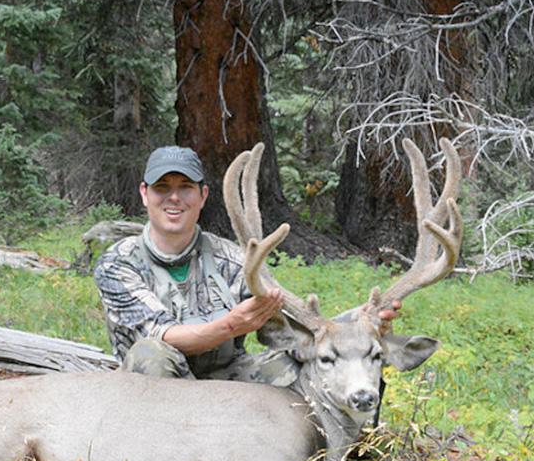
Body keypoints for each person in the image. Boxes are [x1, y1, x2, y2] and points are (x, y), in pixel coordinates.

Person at [94, 145, 399, 386]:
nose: (174, 197)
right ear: (145, 194)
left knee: (305, 364)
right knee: (151, 353)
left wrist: (357, 321)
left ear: (202, 196)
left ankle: (338, 450)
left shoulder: (235, 260)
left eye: (185, 187)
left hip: (228, 379)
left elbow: (287, 324)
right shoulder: (118, 263)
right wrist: (230, 326)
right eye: (162, 187)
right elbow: (163, 336)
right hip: (152, 387)